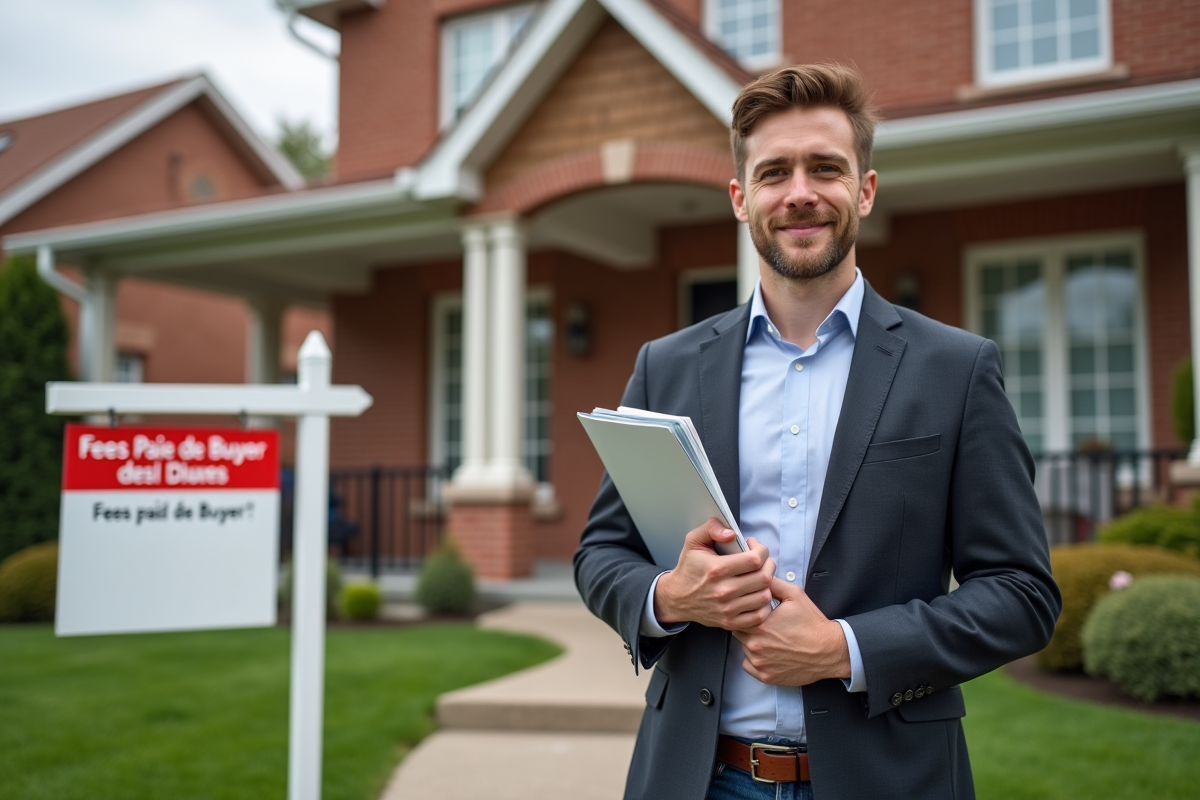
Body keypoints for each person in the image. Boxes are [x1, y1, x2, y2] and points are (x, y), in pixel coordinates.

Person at [574, 63, 1061, 800]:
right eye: (774, 172)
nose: (799, 192)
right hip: (697, 778)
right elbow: (601, 553)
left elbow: (1021, 594)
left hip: (889, 779)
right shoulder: (664, 366)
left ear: (865, 190)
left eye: (825, 168)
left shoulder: (956, 370)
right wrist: (670, 597)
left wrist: (843, 648)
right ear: (741, 199)